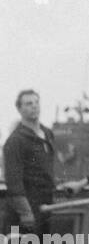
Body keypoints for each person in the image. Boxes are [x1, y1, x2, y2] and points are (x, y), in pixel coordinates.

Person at [3, 90, 57, 236]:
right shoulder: (15, 141)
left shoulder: (47, 134)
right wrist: (25, 212)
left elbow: (46, 167)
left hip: (46, 205)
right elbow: (13, 181)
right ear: (20, 109)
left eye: (36, 102)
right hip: (27, 208)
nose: (34, 106)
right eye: (28, 103)